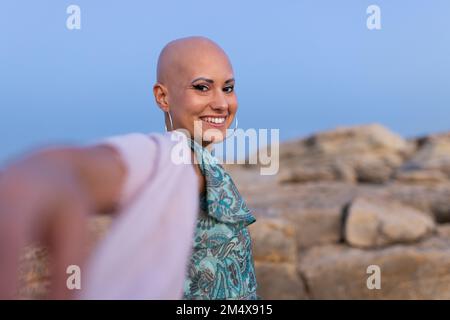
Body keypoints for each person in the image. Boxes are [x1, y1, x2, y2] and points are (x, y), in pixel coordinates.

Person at [0, 36, 258, 300]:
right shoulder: (177, 159)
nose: (222, 103)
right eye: (202, 87)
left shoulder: (205, 165)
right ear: (163, 97)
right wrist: (50, 170)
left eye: (228, 88)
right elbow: (128, 163)